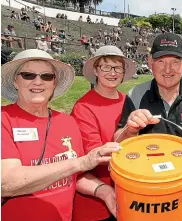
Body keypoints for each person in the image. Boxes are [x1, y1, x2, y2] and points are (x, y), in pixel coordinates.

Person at [1, 49, 121, 221]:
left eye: (46, 76)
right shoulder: (4, 119)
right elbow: (6, 182)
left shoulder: (67, 122)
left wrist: (104, 191)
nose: (38, 82)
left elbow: (76, 175)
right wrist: (82, 162)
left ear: (54, 83)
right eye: (28, 75)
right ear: (15, 81)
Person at [114, 33, 182, 221]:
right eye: (161, 61)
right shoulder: (136, 94)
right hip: (146, 195)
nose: (168, 69)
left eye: (175, 61)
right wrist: (130, 130)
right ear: (150, 62)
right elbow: (118, 145)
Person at [71, 45, 136, 221]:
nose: (112, 72)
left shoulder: (128, 101)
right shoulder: (83, 107)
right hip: (96, 198)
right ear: (96, 70)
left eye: (117, 67)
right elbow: (94, 156)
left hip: (126, 192)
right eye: (106, 67)